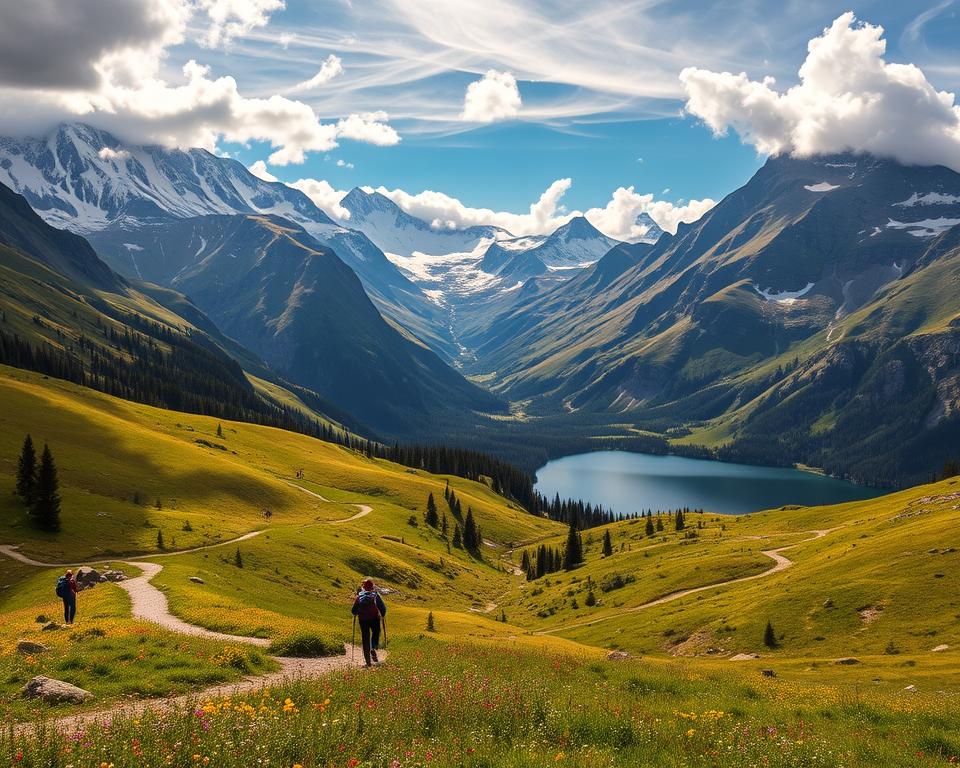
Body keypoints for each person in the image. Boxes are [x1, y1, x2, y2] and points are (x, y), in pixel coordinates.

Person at [351, 578, 386, 666]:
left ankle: (368, 662)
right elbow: (383, 608)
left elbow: (353, 611)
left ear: (363, 587)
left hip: (363, 620)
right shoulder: (375, 595)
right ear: (372, 587)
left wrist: (358, 613)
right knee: (376, 633)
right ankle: (373, 647)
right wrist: (382, 614)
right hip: (374, 619)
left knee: (365, 638)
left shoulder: (360, 596)